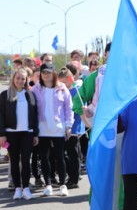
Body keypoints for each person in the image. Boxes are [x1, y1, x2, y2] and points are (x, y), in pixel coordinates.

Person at [33, 63, 73, 197]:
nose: (46, 75)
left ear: (53, 73)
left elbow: (68, 108)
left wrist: (68, 126)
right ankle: (48, 184)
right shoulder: (36, 89)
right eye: (43, 72)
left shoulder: (62, 88)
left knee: (60, 157)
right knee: (44, 158)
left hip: (58, 128)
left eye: (48, 72)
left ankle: (62, 184)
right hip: (42, 129)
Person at [0, 68, 39, 200]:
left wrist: (35, 134)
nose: (20, 81)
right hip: (11, 134)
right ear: (13, 79)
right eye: (18, 78)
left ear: (26, 80)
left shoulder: (30, 95)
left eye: (23, 78)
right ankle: (17, 188)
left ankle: (26, 188)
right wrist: (2, 134)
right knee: (14, 161)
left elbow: (35, 116)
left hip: (27, 133)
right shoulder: (5, 95)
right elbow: (1, 116)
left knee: (26, 161)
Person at [59, 67, 83, 189]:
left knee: (73, 154)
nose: (62, 85)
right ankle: (73, 176)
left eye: (64, 82)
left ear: (70, 79)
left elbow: (77, 109)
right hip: (66, 127)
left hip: (74, 127)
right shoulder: (64, 91)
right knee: (69, 153)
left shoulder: (76, 91)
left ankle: (74, 178)